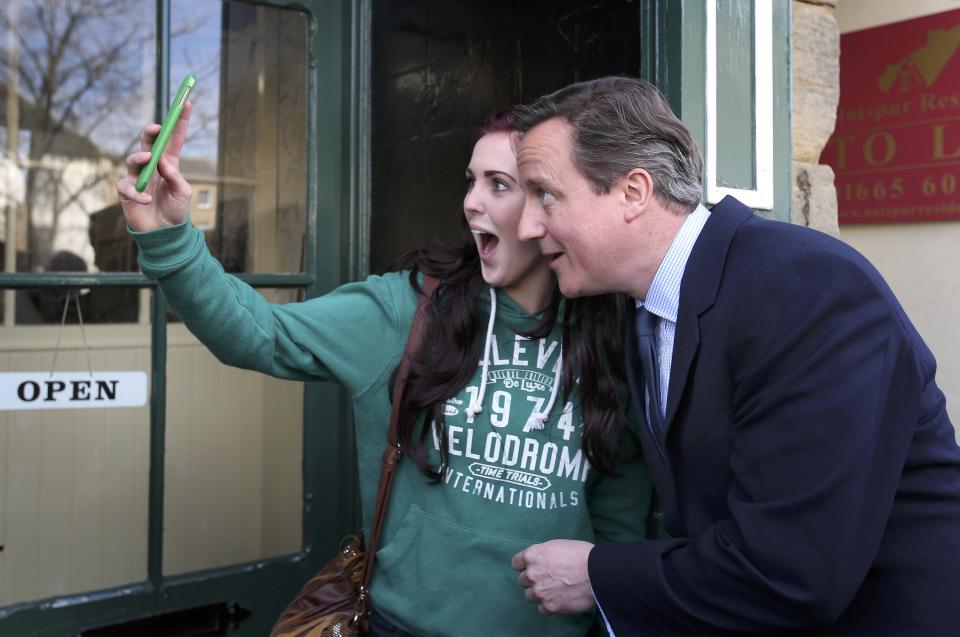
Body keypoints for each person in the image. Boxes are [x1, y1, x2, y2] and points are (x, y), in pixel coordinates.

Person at [116, 102, 655, 636]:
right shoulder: (409, 311)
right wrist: (169, 237)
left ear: (548, 204)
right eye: (470, 181)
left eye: (498, 184)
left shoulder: (610, 330)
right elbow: (260, 334)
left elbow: (619, 509)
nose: (470, 202)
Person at [509, 76, 960, 636]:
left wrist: (597, 575)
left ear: (633, 192)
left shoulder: (810, 289)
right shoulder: (642, 305)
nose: (528, 226)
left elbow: (790, 573)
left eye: (545, 194)